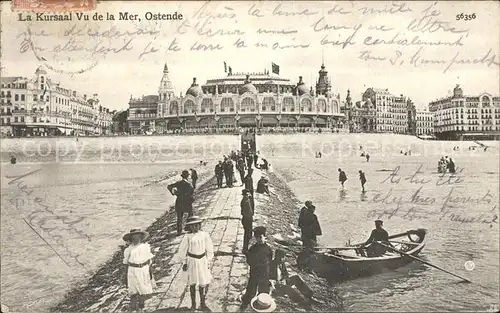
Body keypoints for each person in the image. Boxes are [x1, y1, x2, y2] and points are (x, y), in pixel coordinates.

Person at [178, 216, 214, 311]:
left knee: (202, 283)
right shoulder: (187, 237)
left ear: (200, 225)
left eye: (197, 225)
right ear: (189, 227)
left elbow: (209, 249)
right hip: (191, 261)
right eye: (193, 226)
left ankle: (202, 303)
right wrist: (184, 262)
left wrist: (208, 261)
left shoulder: (204, 235)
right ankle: (193, 304)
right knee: (192, 283)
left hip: (202, 260)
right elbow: (182, 251)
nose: (195, 227)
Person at [240, 226, 273, 310]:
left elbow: (270, 259)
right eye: (257, 238)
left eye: (261, 237)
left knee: (264, 289)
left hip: (264, 273)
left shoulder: (268, 249)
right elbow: (249, 261)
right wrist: (249, 257)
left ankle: (263, 304)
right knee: (251, 288)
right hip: (254, 272)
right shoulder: (253, 249)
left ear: (265, 237)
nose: (259, 239)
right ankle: (246, 302)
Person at [122, 229, 155, 312]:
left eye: (137, 237)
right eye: (134, 237)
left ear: (141, 237)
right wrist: (125, 275)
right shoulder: (128, 250)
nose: (136, 239)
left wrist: (150, 272)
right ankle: (133, 308)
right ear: (131, 239)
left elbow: (149, 261)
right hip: (132, 271)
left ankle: (140, 307)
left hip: (143, 270)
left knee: (142, 290)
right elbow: (126, 264)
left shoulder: (145, 247)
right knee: (133, 291)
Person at [167, 170, 195, 236]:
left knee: (180, 216)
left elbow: (169, 186)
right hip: (186, 201)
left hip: (179, 201)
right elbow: (191, 191)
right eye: (188, 175)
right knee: (190, 214)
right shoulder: (188, 183)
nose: (188, 176)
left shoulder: (179, 183)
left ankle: (179, 231)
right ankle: (189, 228)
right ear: (187, 176)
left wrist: (174, 193)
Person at [241, 189, 254, 254]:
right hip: (247, 220)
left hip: (248, 219)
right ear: (244, 195)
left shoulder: (246, 200)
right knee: (247, 235)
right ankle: (245, 249)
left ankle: (246, 248)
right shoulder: (245, 202)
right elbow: (245, 213)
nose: (248, 195)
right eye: (246, 194)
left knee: (248, 235)